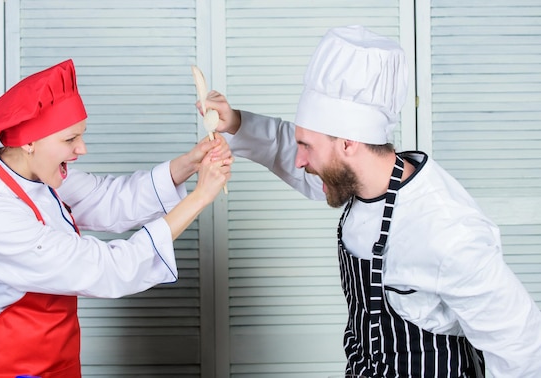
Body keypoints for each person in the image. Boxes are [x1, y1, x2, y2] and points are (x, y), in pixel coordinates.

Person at [201, 25, 541, 377]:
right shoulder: (355, 177)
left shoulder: (446, 229)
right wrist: (235, 123)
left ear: (349, 143)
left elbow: (521, 345)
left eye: (307, 147)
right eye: (301, 144)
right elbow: (290, 149)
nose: (300, 160)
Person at [0, 59, 233, 377]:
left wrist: (190, 163)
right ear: (28, 142)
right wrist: (200, 197)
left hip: (54, 360)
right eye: (69, 140)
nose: (82, 149)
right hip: (4, 368)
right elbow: (109, 269)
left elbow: (108, 199)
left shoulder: (29, 168)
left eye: (80, 136)